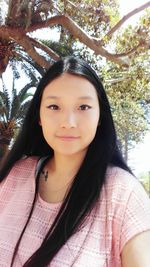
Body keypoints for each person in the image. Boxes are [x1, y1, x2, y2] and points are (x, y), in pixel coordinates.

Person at [0, 56, 150, 267]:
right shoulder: (15, 175)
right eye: (54, 106)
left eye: (83, 107)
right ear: (39, 116)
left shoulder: (123, 194)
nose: (68, 123)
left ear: (100, 117)